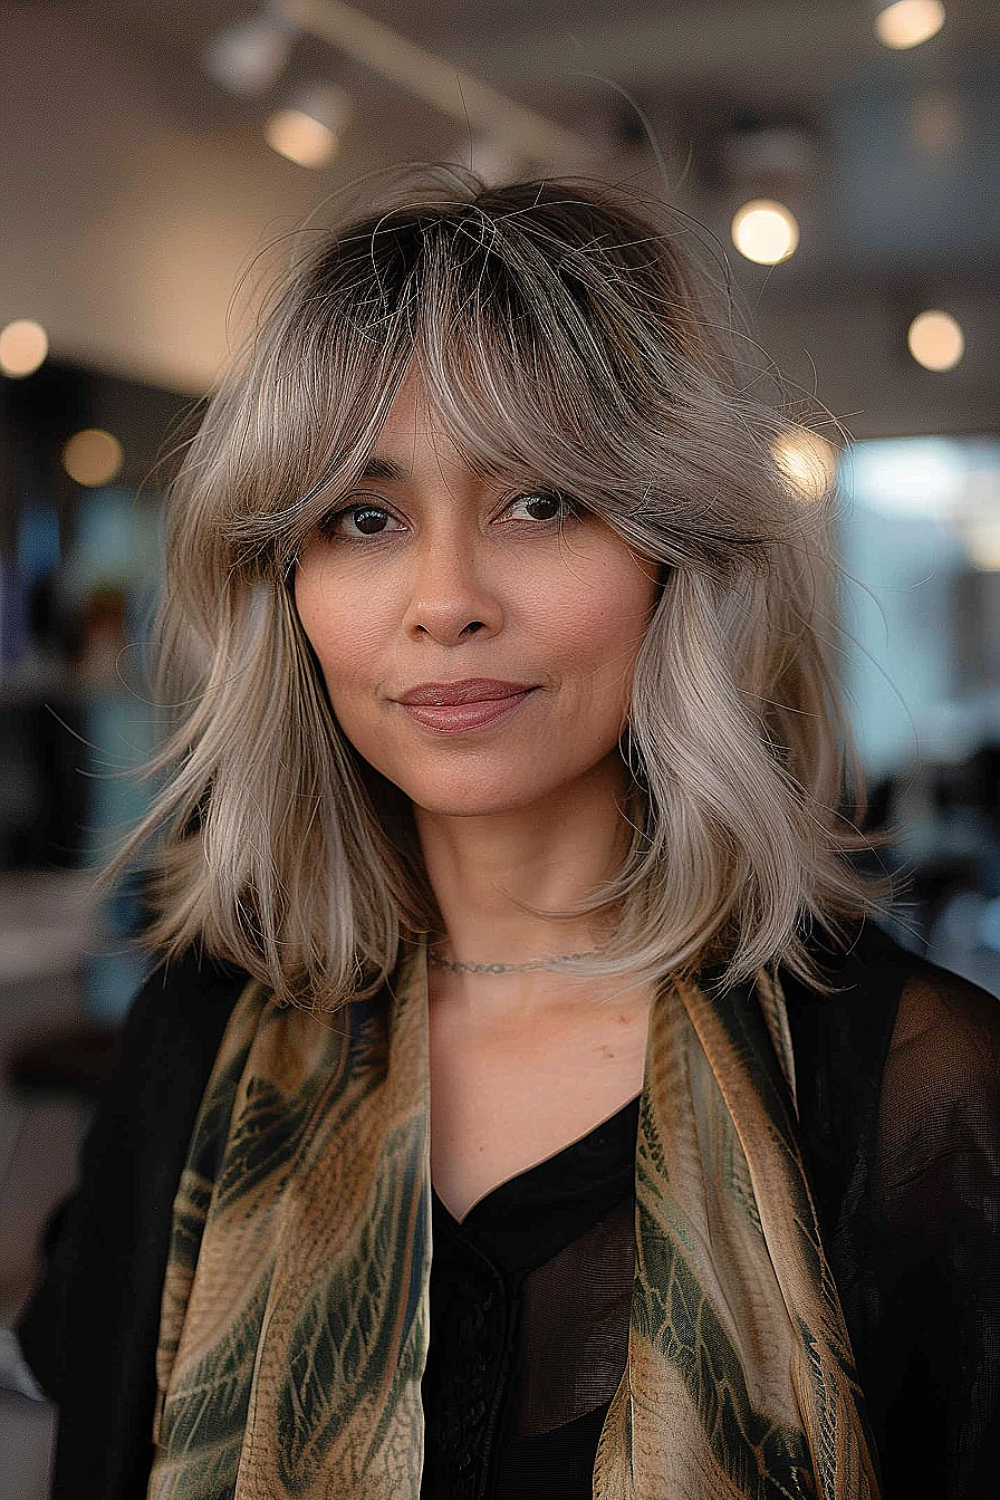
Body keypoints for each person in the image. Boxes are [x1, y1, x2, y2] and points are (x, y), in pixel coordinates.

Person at [16, 167, 1000, 1500]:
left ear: (674, 554)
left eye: (540, 501)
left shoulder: (918, 1094)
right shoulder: (202, 1038)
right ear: (286, 589)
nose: (446, 601)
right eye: (364, 518)